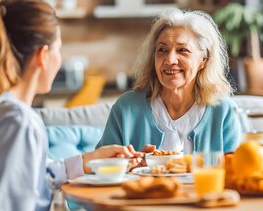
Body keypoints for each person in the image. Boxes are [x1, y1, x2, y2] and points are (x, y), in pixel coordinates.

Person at [0, 0, 142, 211]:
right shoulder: (18, 122)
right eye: (58, 49)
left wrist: (91, 159)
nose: (59, 58)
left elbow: (29, 176)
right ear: (43, 55)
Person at [97, 8, 241, 154]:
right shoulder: (126, 108)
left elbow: (240, 172)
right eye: (162, 50)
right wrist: (132, 165)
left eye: (182, 50)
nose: (170, 60)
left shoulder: (224, 112)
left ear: (203, 60)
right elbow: (98, 168)